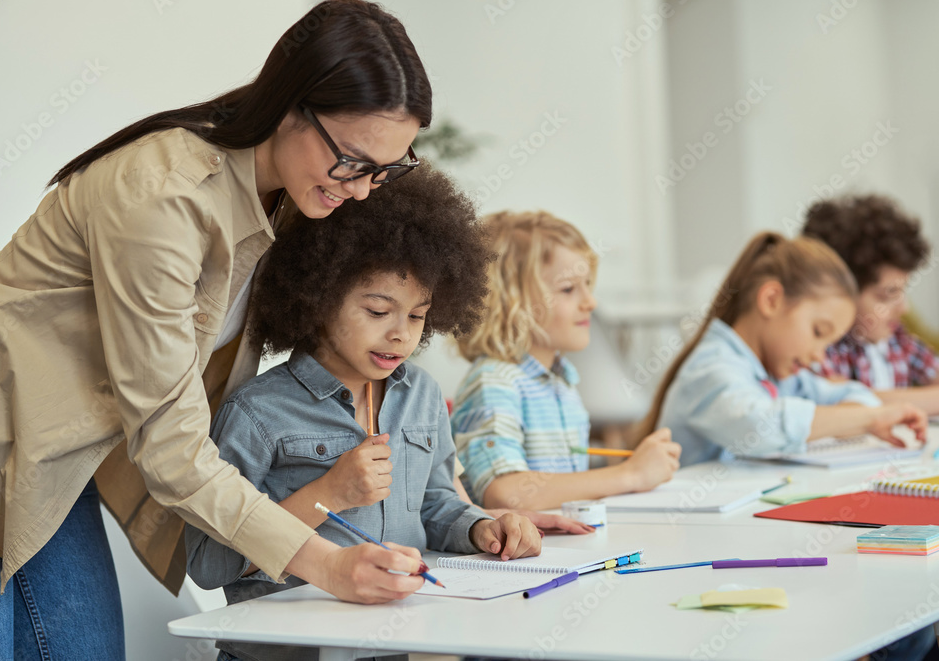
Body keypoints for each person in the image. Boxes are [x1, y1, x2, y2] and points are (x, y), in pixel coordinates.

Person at [0, 0, 440, 658]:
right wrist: (327, 563)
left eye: (385, 168)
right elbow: (170, 445)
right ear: (293, 105)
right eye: (353, 161)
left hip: (54, 454)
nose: (365, 188)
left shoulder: (289, 197)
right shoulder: (163, 199)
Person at [185, 164, 542, 661]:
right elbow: (207, 563)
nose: (401, 333)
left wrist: (482, 527)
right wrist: (327, 493)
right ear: (317, 296)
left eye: (417, 315)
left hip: (392, 644)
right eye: (378, 311)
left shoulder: (421, 394)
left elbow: (435, 505)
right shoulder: (257, 412)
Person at [452, 211, 681, 511]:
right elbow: (506, 493)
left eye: (588, 284)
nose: (591, 301)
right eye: (569, 289)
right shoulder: (494, 382)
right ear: (512, 304)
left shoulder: (563, 379)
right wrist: (630, 474)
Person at [640, 231, 927, 467]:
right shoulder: (711, 368)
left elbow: (856, 395)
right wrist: (868, 419)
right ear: (772, 300)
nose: (819, 356)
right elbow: (761, 427)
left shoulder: (781, 374)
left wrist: (862, 415)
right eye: (818, 332)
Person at [802, 195, 939, 414]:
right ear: (838, 294)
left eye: (902, 292)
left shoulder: (897, 340)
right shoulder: (819, 350)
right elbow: (846, 401)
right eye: (887, 295)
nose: (904, 308)